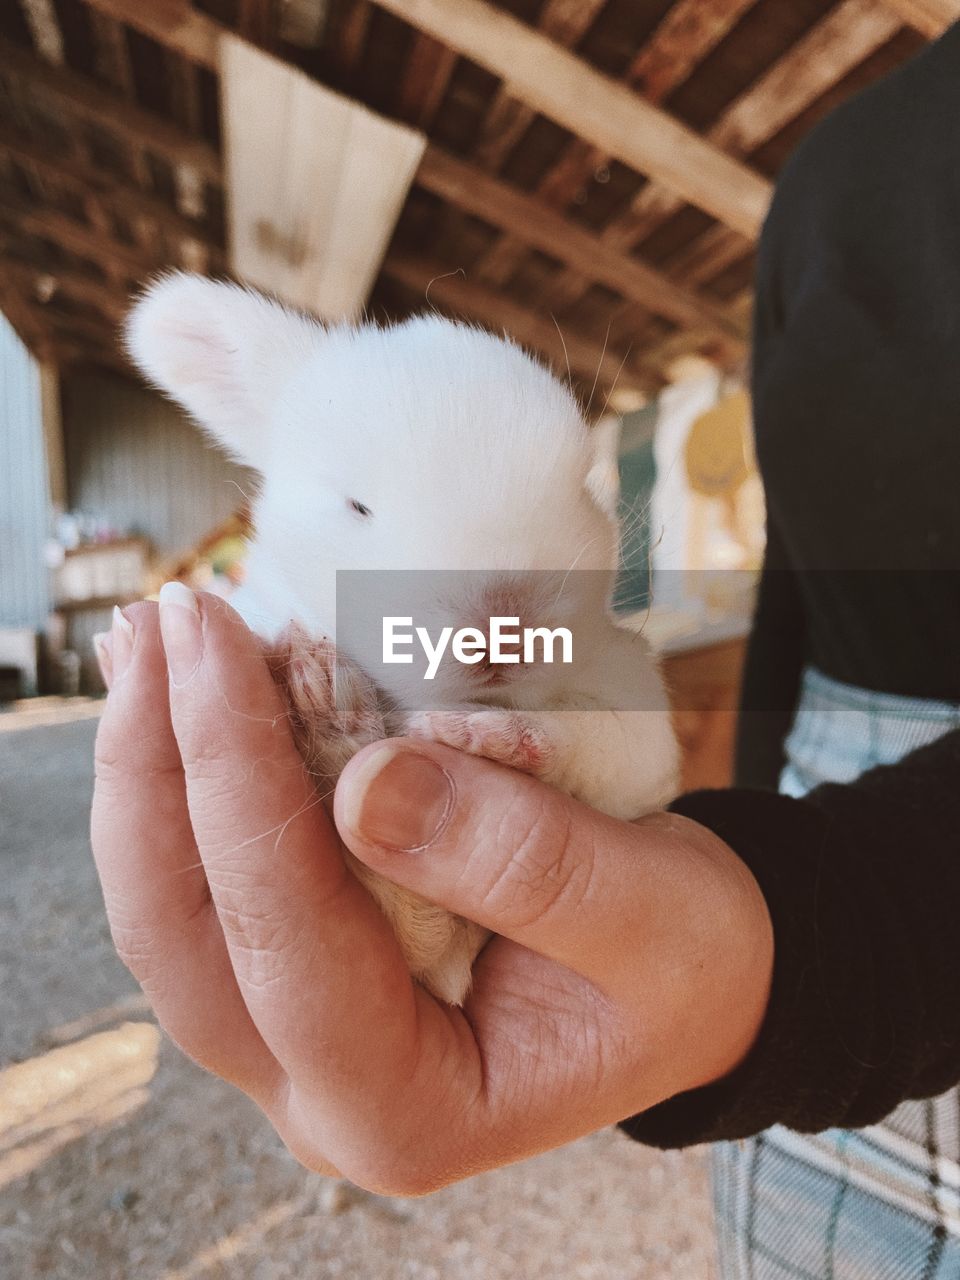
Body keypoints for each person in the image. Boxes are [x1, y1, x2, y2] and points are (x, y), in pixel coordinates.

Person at [91, 24, 960, 1276]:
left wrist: (799, 934)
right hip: (838, 914)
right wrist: (755, 852)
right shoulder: (831, 184)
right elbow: (805, 590)